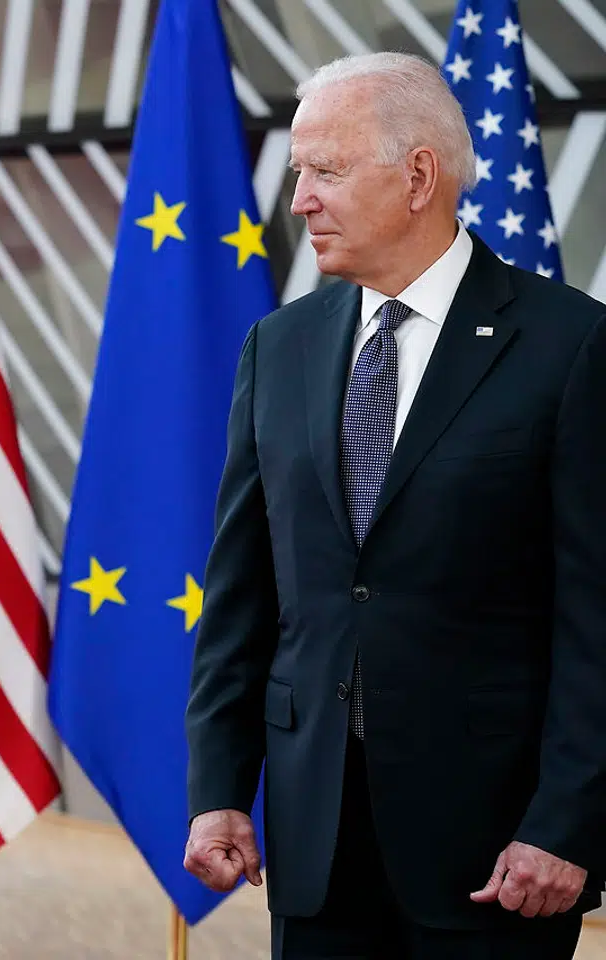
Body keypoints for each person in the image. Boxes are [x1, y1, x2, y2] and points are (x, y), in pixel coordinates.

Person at [183, 51, 606, 959]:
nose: (299, 200)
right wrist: (220, 787)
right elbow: (243, 596)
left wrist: (566, 822)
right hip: (314, 842)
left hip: (497, 857)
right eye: (300, 172)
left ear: (418, 175)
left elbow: (598, 618)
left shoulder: (572, 346)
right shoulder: (279, 347)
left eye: (324, 170)